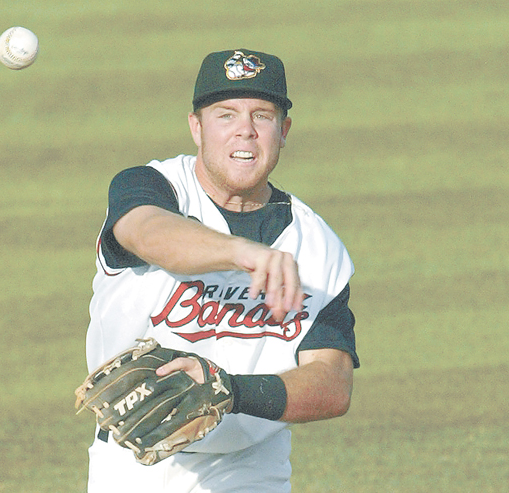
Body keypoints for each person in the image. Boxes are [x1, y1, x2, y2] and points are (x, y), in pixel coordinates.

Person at [84, 49, 360, 492]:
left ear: (284, 131)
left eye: (262, 116)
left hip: (249, 466)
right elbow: (148, 233)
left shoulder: (316, 246)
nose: (245, 131)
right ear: (196, 127)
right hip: (132, 465)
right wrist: (241, 252)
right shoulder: (152, 187)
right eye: (225, 114)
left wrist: (231, 391)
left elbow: (333, 384)